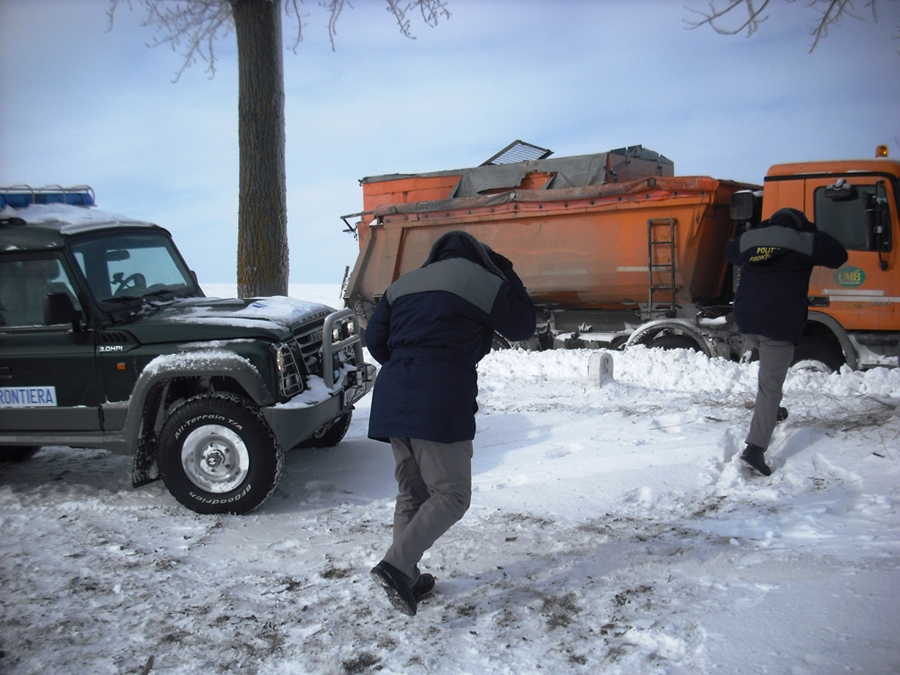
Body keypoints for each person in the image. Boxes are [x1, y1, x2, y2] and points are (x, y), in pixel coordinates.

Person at [366, 230, 536, 616]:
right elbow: (523, 325)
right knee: (452, 494)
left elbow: (375, 342)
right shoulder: (482, 280)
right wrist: (507, 273)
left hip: (393, 393)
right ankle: (395, 566)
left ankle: (406, 575)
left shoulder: (403, 284)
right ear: (482, 257)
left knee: (412, 493)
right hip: (439, 395)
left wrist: (411, 354)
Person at [725, 207, 848, 476]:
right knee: (770, 386)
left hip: (747, 321)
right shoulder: (803, 241)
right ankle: (754, 450)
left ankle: (771, 412)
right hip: (776, 324)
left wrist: (760, 234)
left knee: (771, 374)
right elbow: (839, 255)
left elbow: (730, 251)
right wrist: (812, 232)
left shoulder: (751, 240)